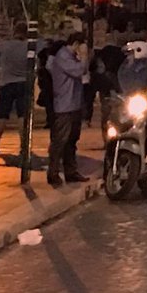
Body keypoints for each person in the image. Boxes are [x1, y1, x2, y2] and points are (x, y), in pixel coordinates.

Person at [46, 30, 90, 187]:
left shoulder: (70, 57)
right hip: (64, 105)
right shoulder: (63, 56)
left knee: (72, 140)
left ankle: (71, 171)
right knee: (60, 141)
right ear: (77, 45)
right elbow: (79, 71)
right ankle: (53, 172)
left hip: (74, 104)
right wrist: (84, 57)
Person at [0, 22, 29, 157]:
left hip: (6, 83)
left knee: (2, 115)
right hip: (23, 83)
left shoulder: (5, 46)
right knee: (22, 115)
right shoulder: (28, 47)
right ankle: (24, 145)